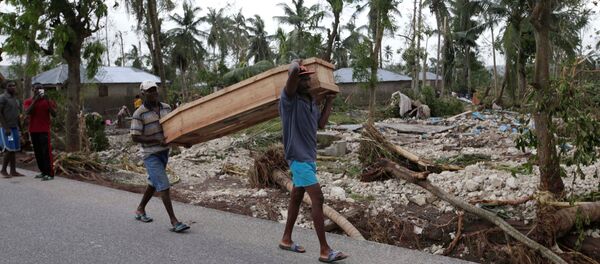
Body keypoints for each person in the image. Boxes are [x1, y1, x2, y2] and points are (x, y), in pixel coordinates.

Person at [278, 60, 348, 263]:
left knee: (296, 197)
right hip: (297, 157)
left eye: (309, 78)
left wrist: (329, 101)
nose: (309, 81)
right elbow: (291, 74)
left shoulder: (310, 102)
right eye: (304, 78)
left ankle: (286, 239)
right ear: (296, 82)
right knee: (317, 199)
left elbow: (321, 124)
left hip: (309, 158)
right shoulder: (288, 100)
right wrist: (294, 65)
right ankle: (325, 250)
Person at [130, 80, 189, 233]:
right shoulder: (139, 114)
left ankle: (140, 209)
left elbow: (173, 129)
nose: (153, 93)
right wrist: (155, 140)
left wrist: (184, 142)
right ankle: (174, 221)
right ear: (143, 94)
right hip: (151, 154)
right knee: (163, 184)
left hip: (164, 152)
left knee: (153, 183)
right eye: (149, 91)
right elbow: (135, 137)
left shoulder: (166, 108)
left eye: (154, 90)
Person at [24, 83, 56, 181]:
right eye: (36, 88)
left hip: (44, 130)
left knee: (46, 152)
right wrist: (35, 101)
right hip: (33, 130)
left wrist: (47, 101)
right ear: (32, 89)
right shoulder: (28, 101)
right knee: (38, 152)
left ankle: (50, 173)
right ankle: (43, 172)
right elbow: (27, 112)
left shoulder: (48, 101)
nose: (38, 90)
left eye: (40, 89)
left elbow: (54, 114)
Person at [0, 80, 24, 178]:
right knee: (9, 149)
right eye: (10, 86)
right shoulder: (2, 98)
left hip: (15, 128)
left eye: (14, 85)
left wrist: (20, 129)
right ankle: (3, 170)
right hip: (7, 128)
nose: (13, 87)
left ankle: (13, 171)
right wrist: (6, 128)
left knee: (14, 149)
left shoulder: (16, 99)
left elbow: (17, 115)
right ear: (6, 87)